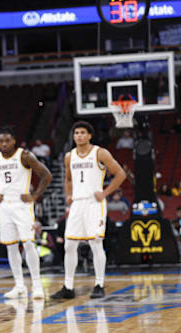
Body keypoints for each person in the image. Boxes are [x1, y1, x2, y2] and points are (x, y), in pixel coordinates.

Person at [51, 121, 126, 300]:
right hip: (77, 204)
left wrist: (105, 192)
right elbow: (68, 179)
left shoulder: (100, 152)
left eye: (83, 132)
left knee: (95, 243)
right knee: (69, 244)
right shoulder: (69, 156)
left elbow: (120, 174)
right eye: (76, 133)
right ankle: (68, 287)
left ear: (90, 135)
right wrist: (68, 195)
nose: (79, 136)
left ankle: (99, 284)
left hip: (94, 203)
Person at [0, 126, 51, 300]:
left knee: (28, 243)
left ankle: (37, 285)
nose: (4, 144)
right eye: (1, 141)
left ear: (14, 141)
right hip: (4, 206)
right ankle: (19, 285)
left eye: (7, 140)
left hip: (22, 205)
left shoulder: (25, 155)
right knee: (11, 246)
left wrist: (34, 195)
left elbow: (46, 175)